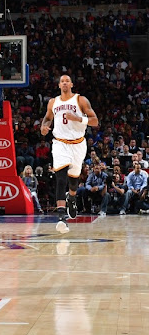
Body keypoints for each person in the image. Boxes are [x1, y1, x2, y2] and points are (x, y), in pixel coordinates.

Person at [41, 75, 98, 234]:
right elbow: (47, 119)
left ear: (71, 84)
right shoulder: (53, 102)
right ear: (59, 85)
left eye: (67, 81)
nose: (65, 83)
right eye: (62, 81)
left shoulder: (80, 100)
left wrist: (79, 118)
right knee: (60, 178)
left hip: (78, 144)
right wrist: (44, 128)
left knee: (74, 181)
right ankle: (61, 217)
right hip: (59, 144)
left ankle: (71, 197)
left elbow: (95, 121)